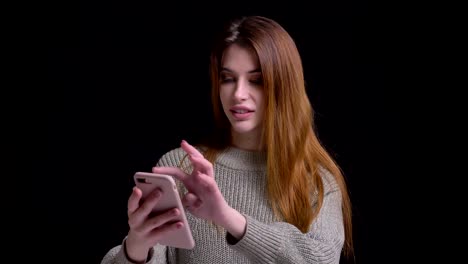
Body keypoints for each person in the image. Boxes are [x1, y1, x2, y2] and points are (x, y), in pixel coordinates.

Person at [101, 15, 353, 264]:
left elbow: (321, 259)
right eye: (228, 78)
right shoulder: (183, 167)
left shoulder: (317, 180)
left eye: (256, 80)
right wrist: (136, 246)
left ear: (284, 87)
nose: (239, 94)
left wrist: (227, 217)